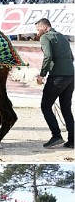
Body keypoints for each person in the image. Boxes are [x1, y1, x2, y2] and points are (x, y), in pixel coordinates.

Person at [35, 18, 74, 149]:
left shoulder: (45, 37)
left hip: (57, 76)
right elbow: (71, 57)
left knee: (45, 106)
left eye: (38, 29)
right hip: (71, 75)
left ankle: (56, 135)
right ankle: (72, 140)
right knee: (66, 108)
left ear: (45, 27)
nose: (37, 32)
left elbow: (48, 56)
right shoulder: (62, 37)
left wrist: (42, 74)